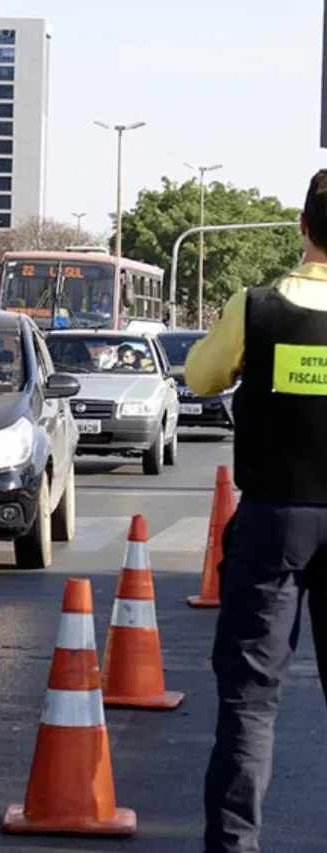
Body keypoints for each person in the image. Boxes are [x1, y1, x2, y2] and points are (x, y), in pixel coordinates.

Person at [184, 168, 327, 853]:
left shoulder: (257, 306)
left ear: (302, 228)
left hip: (273, 522)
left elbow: (202, 378)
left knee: (250, 699)